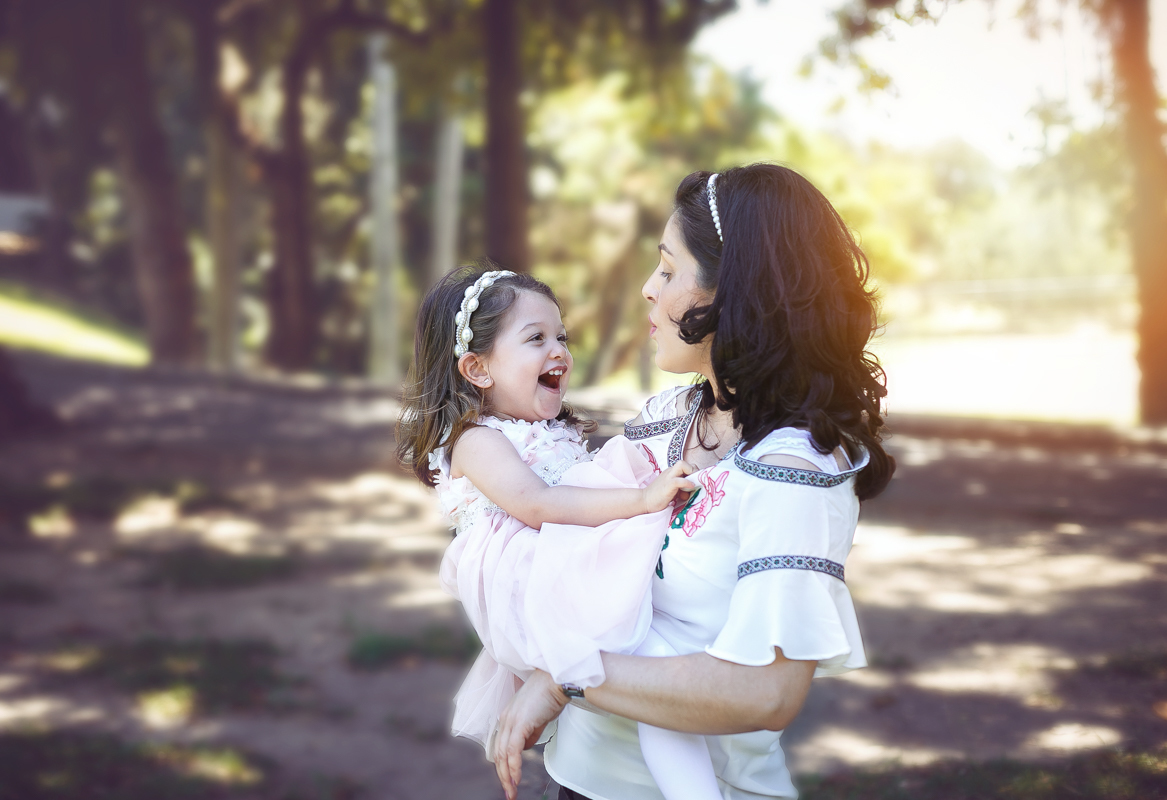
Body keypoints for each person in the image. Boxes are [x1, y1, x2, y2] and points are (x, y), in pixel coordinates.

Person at [491, 163, 896, 800]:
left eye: (669, 269)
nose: (649, 290)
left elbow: (765, 691)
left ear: (735, 293)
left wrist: (567, 675)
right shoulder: (675, 416)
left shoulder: (796, 470)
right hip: (576, 780)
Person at [396, 265, 729, 800]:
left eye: (562, 336)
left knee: (657, 656)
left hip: (559, 562)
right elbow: (538, 504)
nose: (560, 351)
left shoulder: (551, 431)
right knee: (652, 655)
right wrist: (642, 501)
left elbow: (580, 494)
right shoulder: (476, 441)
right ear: (477, 368)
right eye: (536, 339)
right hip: (531, 580)